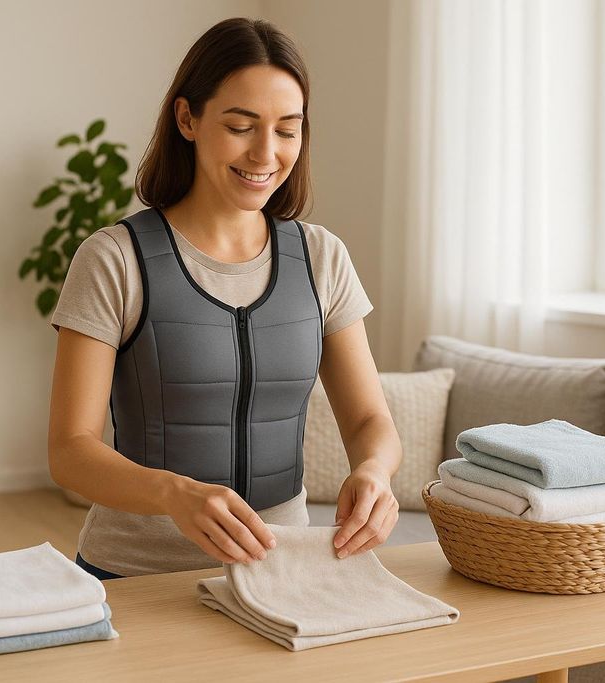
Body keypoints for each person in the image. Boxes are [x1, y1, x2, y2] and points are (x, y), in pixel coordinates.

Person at [47, 17, 402, 581]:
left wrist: (376, 472)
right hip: (135, 575)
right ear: (187, 119)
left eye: (288, 130)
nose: (266, 153)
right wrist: (173, 494)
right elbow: (70, 449)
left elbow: (367, 419)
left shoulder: (322, 257)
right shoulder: (113, 258)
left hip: (280, 572)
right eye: (241, 126)